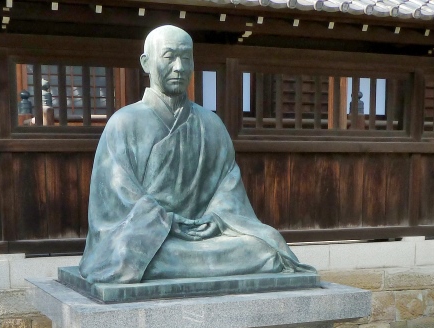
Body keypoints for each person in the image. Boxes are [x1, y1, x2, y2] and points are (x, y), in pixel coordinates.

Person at [78, 25, 313, 284]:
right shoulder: (123, 123)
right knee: (127, 254)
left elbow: (228, 186)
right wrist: (166, 221)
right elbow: (116, 199)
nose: (179, 67)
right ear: (146, 63)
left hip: (204, 236)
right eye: (169, 57)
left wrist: (217, 218)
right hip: (150, 235)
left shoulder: (211, 124)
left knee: (266, 248)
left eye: (186, 58)